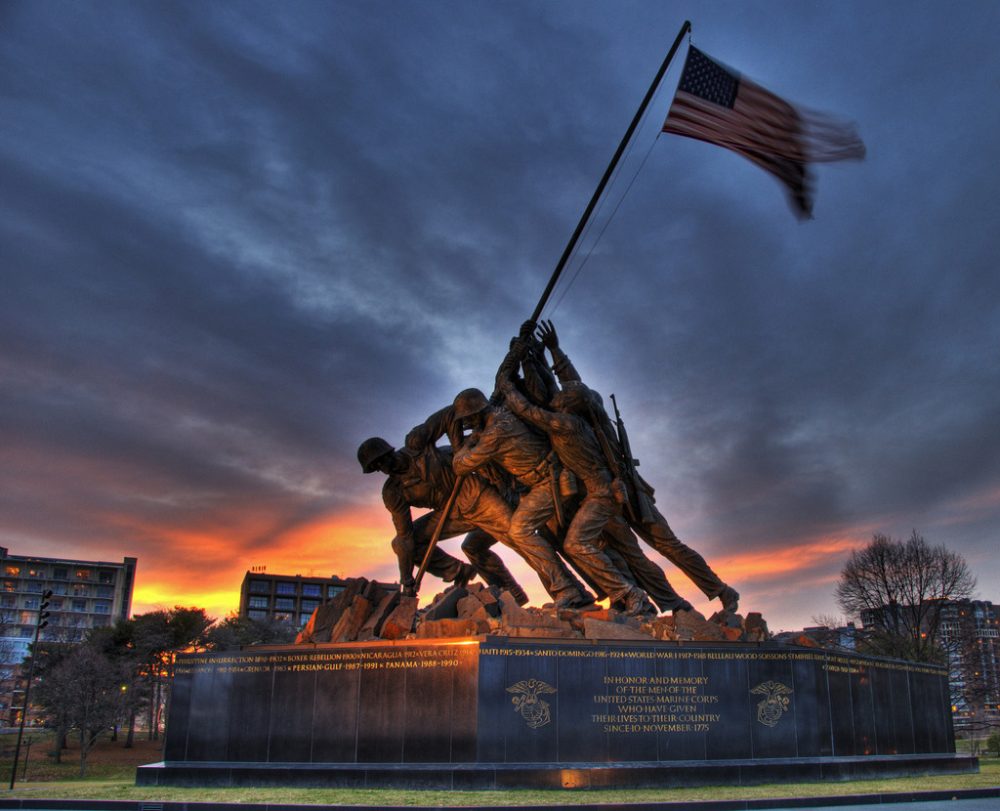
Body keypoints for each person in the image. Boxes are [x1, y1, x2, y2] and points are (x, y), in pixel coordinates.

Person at [536, 320, 740, 614]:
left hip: (631, 492)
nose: (560, 402)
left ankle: (722, 590)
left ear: (574, 406)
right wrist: (553, 351)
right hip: (607, 497)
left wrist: (555, 353)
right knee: (636, 557)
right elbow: (571, 384)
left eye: (564, 402)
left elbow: (574, 386)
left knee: (669, 545)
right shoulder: (577, 417)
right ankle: (673, 604)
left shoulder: (595, 421)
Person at [496, 338, 657, 618]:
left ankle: (633, 596)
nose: (557, 397)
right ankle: (627, 595)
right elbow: (563, 385)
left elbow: (528, 410)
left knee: (576, 544)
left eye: (562, 397)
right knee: (590, 544)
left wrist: (506, 383)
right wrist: (538, 355)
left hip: (601, 494)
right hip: (598, 491)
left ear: (568, 406)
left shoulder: (564, 423)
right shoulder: (577, 418)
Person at [451, 387, 595, 610]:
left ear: (477, 412)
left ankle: (568, 589)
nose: (466, 424)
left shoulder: (495, 433)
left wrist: (467, 445)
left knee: (520, 530)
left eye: (467, 418)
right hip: (537, 482)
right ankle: (573, 591)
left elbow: (460, 466)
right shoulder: (498, 417)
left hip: (548, 481)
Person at [357, 432, 527, 602]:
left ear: (388, 452)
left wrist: (502, 486)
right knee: (405, 545)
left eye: (381, 461)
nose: (382, 468)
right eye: (376, 467)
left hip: (479, 498)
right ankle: (462, 573)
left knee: (515, 539)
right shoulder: (393, 491)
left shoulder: (421, 452)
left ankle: (549, 583)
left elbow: (469, 454)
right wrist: (407, 581)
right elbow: (405, 537)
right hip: (450, 514)